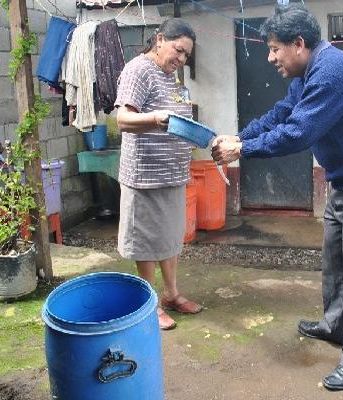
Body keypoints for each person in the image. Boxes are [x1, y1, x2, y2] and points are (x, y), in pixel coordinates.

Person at [212, 4, 343, 391]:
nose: (271, 57)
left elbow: (297, 133)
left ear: (299, 44)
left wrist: (243, 150)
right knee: (336, 261)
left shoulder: (331, 72)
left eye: (276, 49)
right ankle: (336, 326)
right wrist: (239, 137)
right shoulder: (306, 74)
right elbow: (281, 114)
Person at [115, 18, 202, 330]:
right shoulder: (138, 69)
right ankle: (149, 302)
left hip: (171, 174)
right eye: (179, 50)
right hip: (145, 177)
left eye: (186, 56)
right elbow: (123, 119)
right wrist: (155, 117)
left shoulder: (171, 79)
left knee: (169, 238)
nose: (181, 59)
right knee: (147, 242)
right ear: (161, 39)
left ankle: (172, 294)